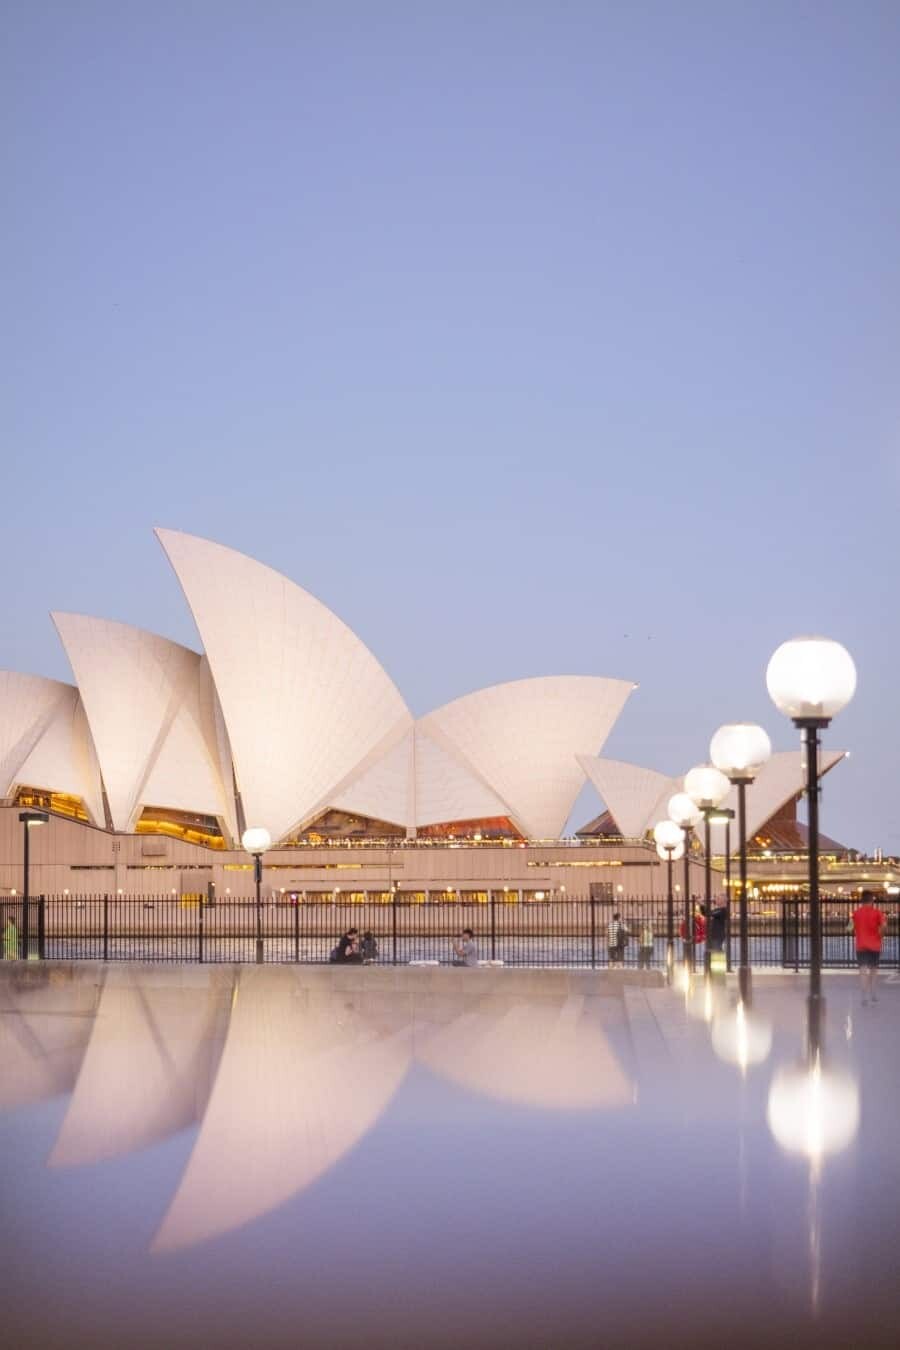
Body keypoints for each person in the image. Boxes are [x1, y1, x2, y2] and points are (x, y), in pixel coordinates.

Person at [852, 890, 887, 1005]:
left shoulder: (856, 913)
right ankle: (873, 993)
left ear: (862, 900)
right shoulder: (878, 913)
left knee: (863, 971)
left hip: (861, 945)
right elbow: (884, 927)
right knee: (873, 970)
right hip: (875, 945)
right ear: (872, 900)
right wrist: (880, 934)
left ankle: (864, 996)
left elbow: (848, 928)